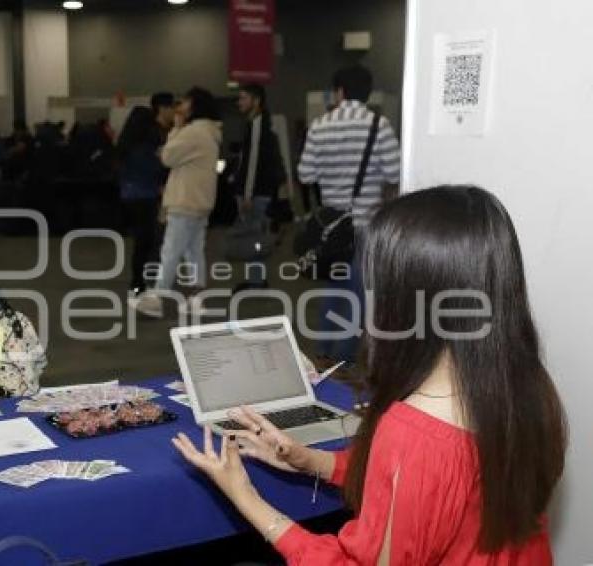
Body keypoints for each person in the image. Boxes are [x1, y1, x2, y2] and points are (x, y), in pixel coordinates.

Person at [173, 186, 566, 565]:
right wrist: (311, 460)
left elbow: (418, 476)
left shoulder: (413, 434)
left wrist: (245, 498)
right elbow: (425, 492)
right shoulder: (530, 386)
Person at [298, 65, 400, 364]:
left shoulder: (319, 125)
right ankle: (345, 359)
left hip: (332, 226)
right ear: (368, 93)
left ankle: (325, 351)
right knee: (359, 293)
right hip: (365, 224)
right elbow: (394, 172)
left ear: (339, 92)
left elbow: (305, 174)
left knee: (336, 286)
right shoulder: (378, 125)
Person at [130, 87, 222, 318]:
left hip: (185, 199)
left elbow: (167, 156)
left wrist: (176, 129)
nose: (180, 107)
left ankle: (156, 298)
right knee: (194, 252)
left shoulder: (192, 132)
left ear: (195, 106)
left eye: (186, 102)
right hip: (200, 200)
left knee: (171, 250)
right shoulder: (210, 132)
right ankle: (195, 299)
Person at [232, 83, 286, 293]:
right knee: (255, 235)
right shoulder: (262, 124)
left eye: (243, 98)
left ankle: (256, 281)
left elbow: (252, 160)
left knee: (253, 235)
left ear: (256, 100)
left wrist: (246, 194)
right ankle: (256, 278)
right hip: (260, 190)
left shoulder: (257, 124)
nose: (240, 102)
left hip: (254, 192)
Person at [116, 105, 167, 294]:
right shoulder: (147, 146)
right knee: (147, 241)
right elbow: (154, 170)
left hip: (129, 195)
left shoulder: (126, 144)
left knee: (141, 241)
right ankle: (140, 281)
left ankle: (138, 280)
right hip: (146, 195)